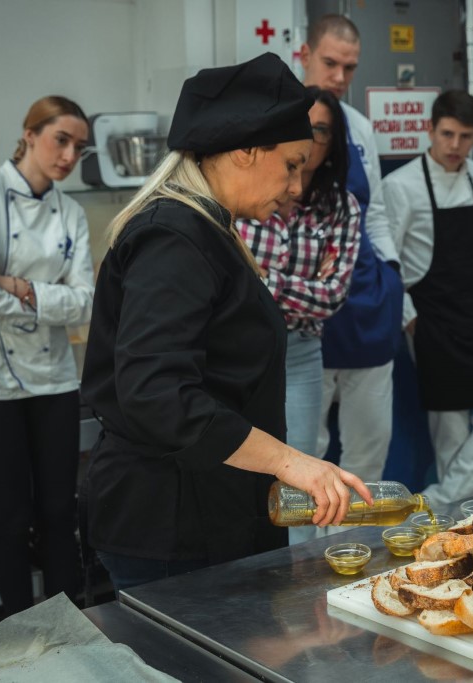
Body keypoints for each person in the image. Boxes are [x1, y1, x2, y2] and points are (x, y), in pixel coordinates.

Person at [80, 53, 371, 591]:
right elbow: (156, 393)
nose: (297, 187)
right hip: (170, 526)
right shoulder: (174, 237)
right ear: (245, 150)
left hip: (214, 511)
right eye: (291, 165)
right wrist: (289, 462)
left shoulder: (211, 230)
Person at [0, 95, 94, 616]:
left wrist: (22, 289)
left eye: (79, 148)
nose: (69, 157)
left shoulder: (71, 213)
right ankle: (21, 634)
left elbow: (85, 303)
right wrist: (46, 302)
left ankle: (73, 628)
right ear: (30, 134)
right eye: (61, 140)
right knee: (11, 516)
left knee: (59, 512)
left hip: (53, 377)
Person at [384, 91, 473, 504]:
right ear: (430, 130)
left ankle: (439, 498)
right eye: (447, 134)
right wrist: (410, 319)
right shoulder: (401, 185)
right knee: (449, 434)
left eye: (465, 137)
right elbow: (388, 262)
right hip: (433, 318)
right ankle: (460, 524)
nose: (454, 145)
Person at [235, 87, 360, 544]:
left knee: (305, 482)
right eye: (303, 127)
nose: (310, 138)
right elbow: (228, 284)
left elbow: (331, 297)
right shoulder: (244, 192)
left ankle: (298, 578)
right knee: (242, 473)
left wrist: (262, 280)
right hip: (241, 352)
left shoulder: (340, 206)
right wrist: (280, 284)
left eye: (321, 130)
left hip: (301, 352)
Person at [300, 14, 403, 484]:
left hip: (366, 299)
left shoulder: (360, 128)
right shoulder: (276, 121)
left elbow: (375, 210)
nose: (340, 77)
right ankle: (307, 537)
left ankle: (359, 530)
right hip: (303, 306)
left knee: (369, 446)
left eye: (350, 67)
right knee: (306, 448)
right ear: (304, 54)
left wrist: (392, 275)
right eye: (330, 63)